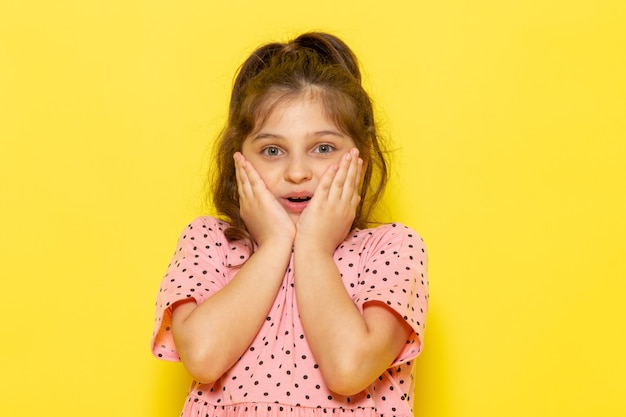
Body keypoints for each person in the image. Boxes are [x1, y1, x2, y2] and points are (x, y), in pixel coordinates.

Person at [151, 32, 429, 417]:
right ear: (238, 159)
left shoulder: (393, 248)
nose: (297, 172)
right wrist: (276, 243)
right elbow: (202, 357)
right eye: (272, 150)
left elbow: (348, 369)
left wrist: (313, 246)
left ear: (360, 155)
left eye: (323, 148)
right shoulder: (209, 241)